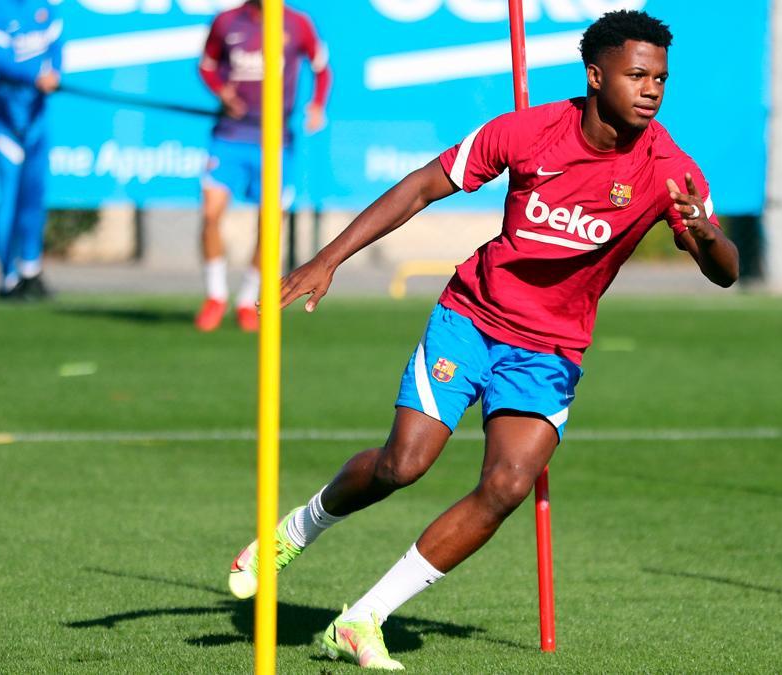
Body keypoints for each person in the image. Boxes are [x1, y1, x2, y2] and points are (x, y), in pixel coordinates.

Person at [227, 10, 738, 669]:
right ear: (595, 75)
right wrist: (329, 258)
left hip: (550, 352)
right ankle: (296, 529)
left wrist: (706, 236)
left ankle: (362, 618)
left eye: (660, 78)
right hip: (471, 318)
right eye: (637, 74)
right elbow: (420, 188)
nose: (651, 89)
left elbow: (723, 271)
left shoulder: (669, 167)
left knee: (507, 484)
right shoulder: (528, 132)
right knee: (401, 465)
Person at [195, 0, 331, 332]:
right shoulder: (227, 21)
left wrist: (317, 105)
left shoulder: (297, 23)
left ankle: (246, 299)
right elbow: (206, 66)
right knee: (211, 214)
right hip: (229, 135)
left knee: (269, 224)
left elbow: (322, 67)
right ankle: (215, 294)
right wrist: (222, 92)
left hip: (275, 140)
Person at [0, 0, 64, 300]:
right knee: (10, 195)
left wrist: (55, 73)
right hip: (6, 117)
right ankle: (8, 278)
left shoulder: (44, 8)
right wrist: (34, 75)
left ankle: (31, 269)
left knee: (34, 195)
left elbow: (56, 49)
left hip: (36, 116)